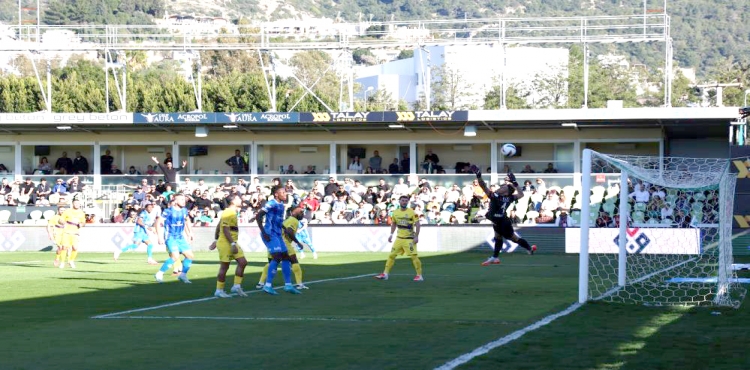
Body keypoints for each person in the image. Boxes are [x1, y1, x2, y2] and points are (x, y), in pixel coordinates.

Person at [473, 168, 537, 266]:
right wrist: (515, 183)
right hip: (502, 219)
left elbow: (483, 185)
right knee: (500, 237)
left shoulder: (494, 196)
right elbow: (521, 194)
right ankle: (497, 257)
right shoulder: (510, 197)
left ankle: (496, 257)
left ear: (505, 190)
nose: (500, 187)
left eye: (503, 187)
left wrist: (478, 176)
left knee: (508, 238)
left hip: (499, 220)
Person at [254, 185, 301, 295]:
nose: (285, 194)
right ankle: (267, 285)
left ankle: (288, 285)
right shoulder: (271, 203)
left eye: (285, 193)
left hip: (278, 234)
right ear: (276, 194)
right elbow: (258, 216)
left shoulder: (280, 205)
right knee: (277, 257)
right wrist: (264, 232)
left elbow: (278, 221)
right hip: (270, 234)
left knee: (286, 257)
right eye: (283, 193)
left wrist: (284, 229)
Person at [256, 207, 309, 290]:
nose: (302, 214)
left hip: (274, 242)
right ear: (293, 213)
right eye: (300, 212)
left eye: (302, 212)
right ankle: (299, 284)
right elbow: (289, 231)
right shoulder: (293, 220)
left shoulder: (286, 220)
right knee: (294, 261)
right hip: (284, 243)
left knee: (272, 263)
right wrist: (297, 242)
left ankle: (261, 283)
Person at [375, 195, 424, 281]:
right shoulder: (395, 212)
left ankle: (419, 275)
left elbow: (417, 224)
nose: (404, 202)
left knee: (413, 256)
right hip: (399, 238)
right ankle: (385, 274)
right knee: (391, 255)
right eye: (403, 200)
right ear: (399, 201)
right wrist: (391, 234)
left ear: (408, 202)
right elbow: (394, 223)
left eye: (406, 201)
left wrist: (416, 236)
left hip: (409, 239)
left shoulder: (412, 212)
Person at [212, 194, 248, 298]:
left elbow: (219, 225)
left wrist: (215, 239)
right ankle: (219, 290)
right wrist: (231, 243)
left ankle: (236, 286)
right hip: (227, 242)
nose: (240, 199)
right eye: (238, 198)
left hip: (231, 241)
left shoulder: (231, 212)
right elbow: (225, 229)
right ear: (232, 201)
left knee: (243, 262)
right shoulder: (228, 212)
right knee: (224, 267)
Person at [155, 194, 194, 284]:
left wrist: (190, 233)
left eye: (184, 199)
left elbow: (187, 220)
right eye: (181, 199)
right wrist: (160, 237)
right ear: (175, 201)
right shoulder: (168, 211)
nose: (184, 201)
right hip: (171, 237)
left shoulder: (184, 211)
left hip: (180, 237)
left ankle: (182, 275)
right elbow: (157, 222)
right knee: (175, 257)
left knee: (190, 256)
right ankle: (159, 273)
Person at [59, 197, 87, 269]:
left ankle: (71, 260)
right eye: (75, 203)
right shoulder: (67, 211)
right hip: (67, 232)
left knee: (75, 248)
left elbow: (84, 222)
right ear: (73, 204)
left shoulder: (81, 213)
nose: (77, 204)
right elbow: (60, 220)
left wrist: (81, 224)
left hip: (75, 232)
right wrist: (64, 223)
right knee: (64, 247)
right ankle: (62, 262)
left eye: (78, 203)